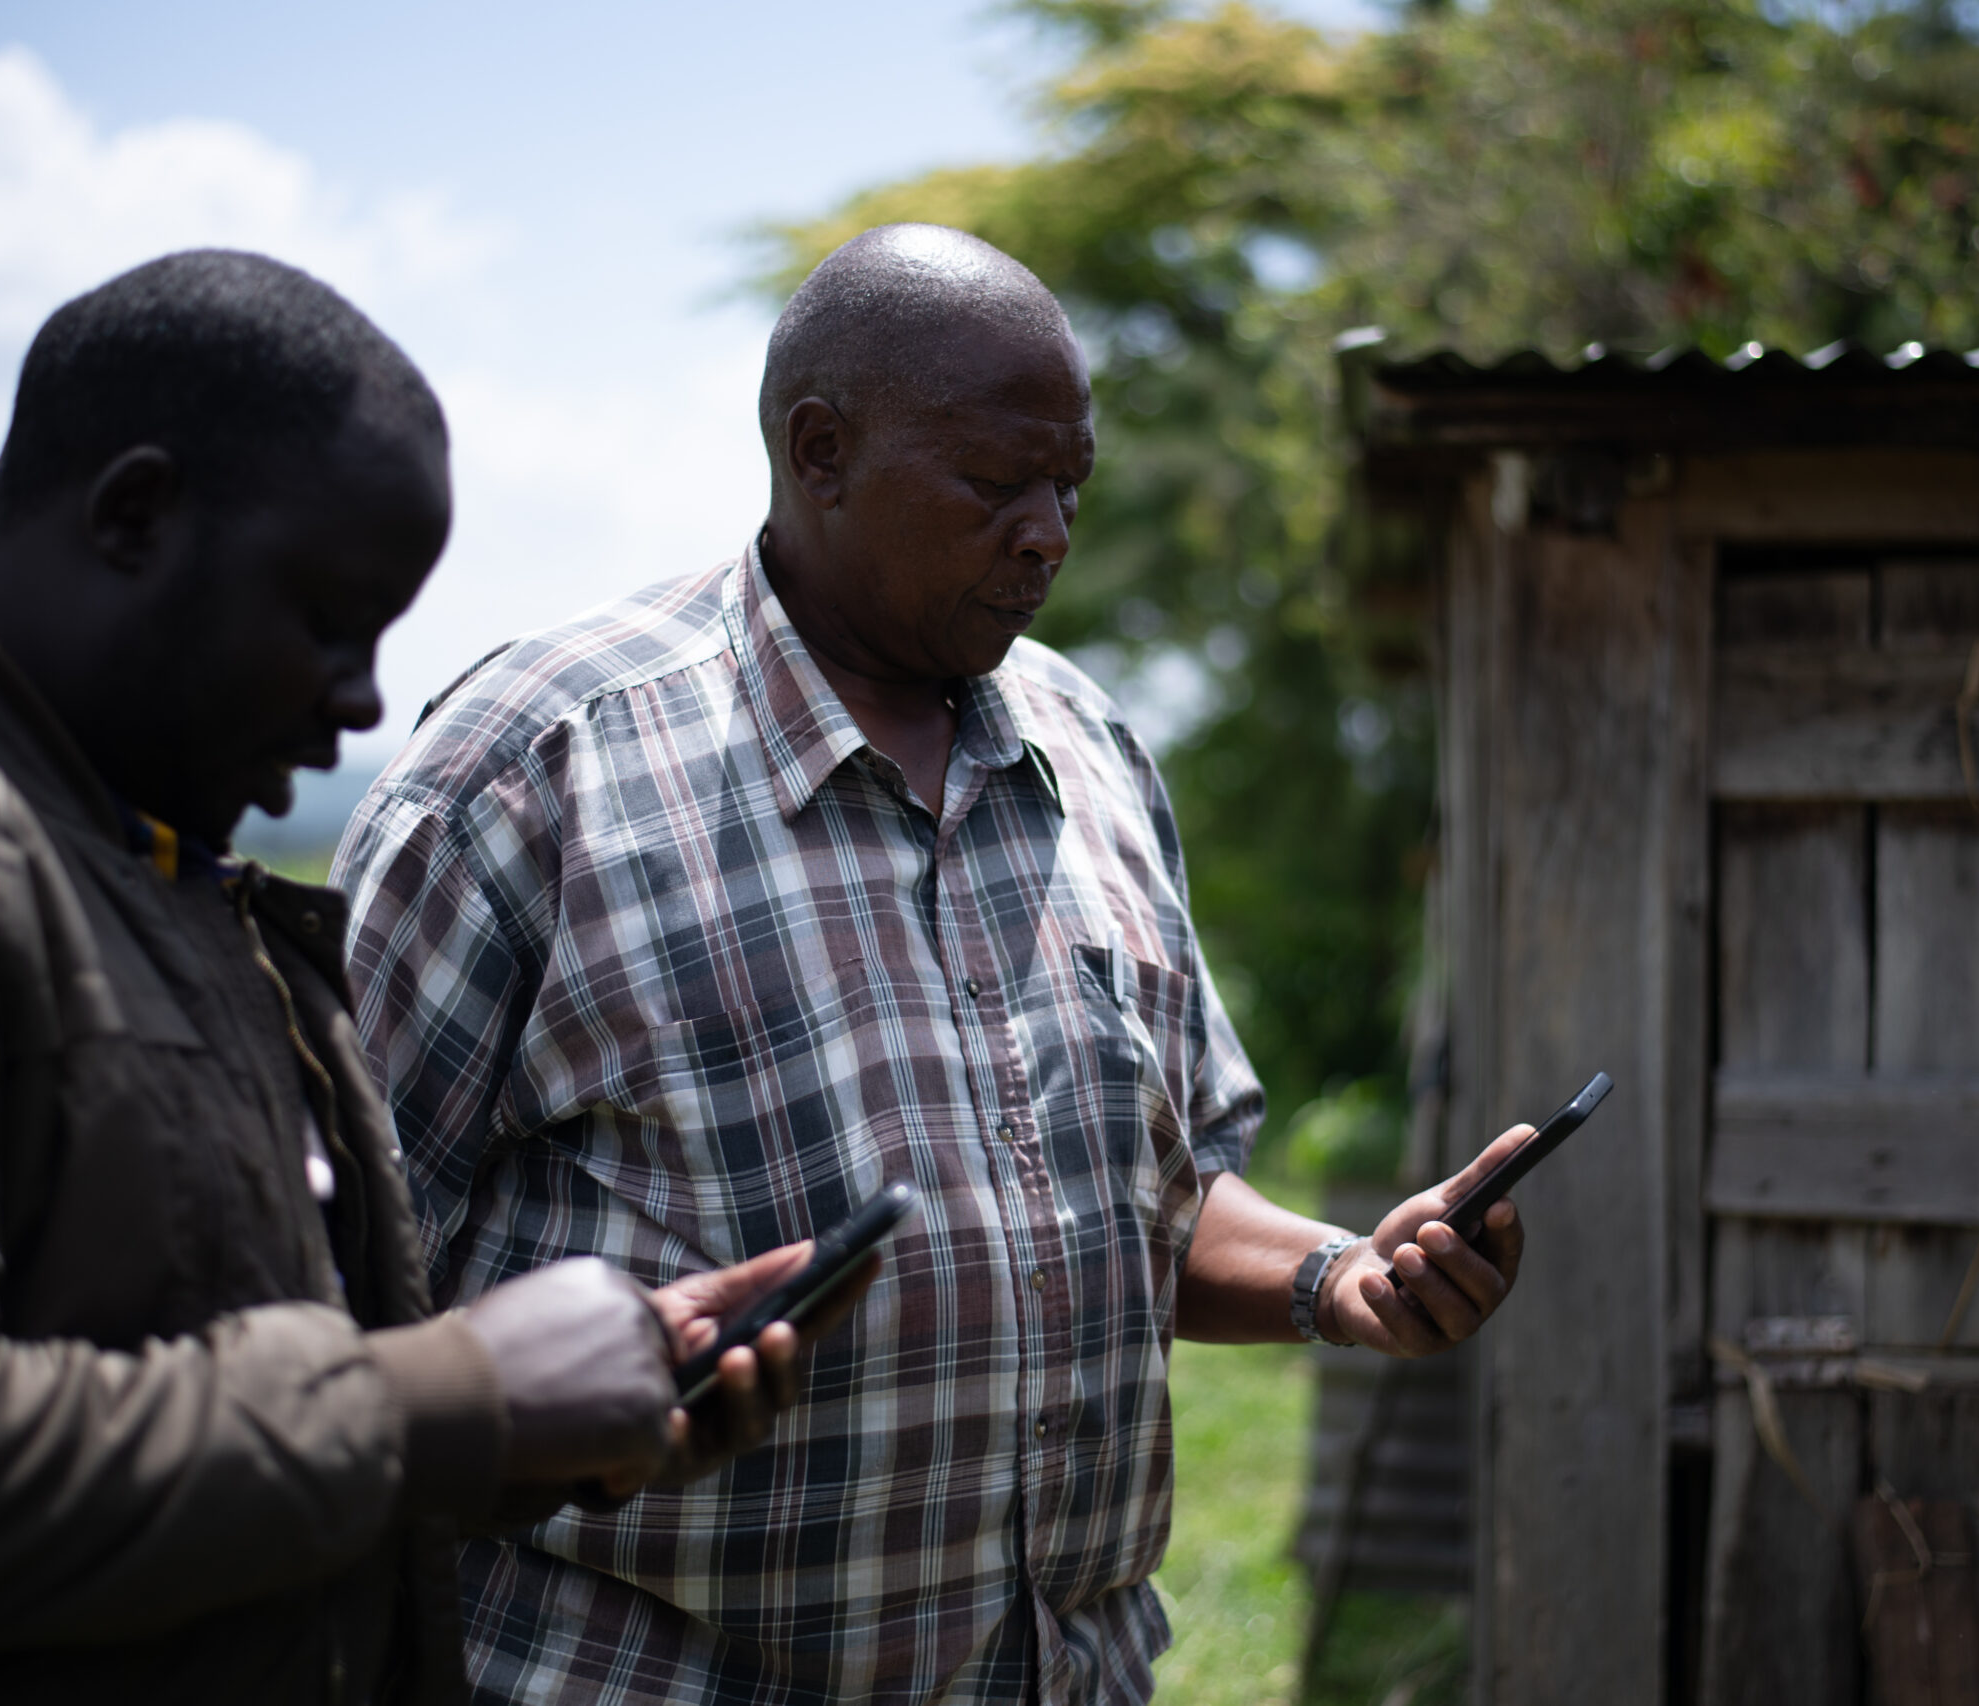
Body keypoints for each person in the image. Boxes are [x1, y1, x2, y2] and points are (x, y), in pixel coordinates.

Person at [335, 224, 1530, 1706]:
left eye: (1069, 486)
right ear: (819, 450)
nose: (1049, 533)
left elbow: (1150, 1197)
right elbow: (336, 1303)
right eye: (993, 483)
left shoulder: (1083, 750)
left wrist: (1342, 1275)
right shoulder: (536, 772)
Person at [0, 250, 855, 1706]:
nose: (364, 701)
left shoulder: (154, 859)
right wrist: (452, 1399)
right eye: (330, 619)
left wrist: (537, 1437)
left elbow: (208, 1433)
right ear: (133, 514)